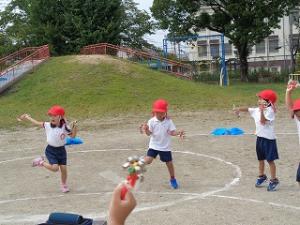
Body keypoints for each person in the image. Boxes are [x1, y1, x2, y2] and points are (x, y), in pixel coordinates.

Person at [18, 105, 77, 193]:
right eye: (51, 115)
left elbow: (72, 136)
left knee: (64, 169)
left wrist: (75, 127)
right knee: (55, 168)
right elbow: (36, 123)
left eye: (54, 115)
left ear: (60, 117)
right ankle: (40, 162)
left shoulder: (65, 127)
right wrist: (27, 117)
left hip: (61, 150)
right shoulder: (47, 125)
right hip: (51, 150)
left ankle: (64, 185)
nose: (52, 117)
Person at [233, 89, 280, 191]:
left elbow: (263, 121)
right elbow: (249, 109)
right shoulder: (257, 110)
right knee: (260, 159)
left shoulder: (270, 111)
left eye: (261, 98)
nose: (259, 100)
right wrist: (238, 109)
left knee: (270, 160)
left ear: (268, 102)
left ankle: (274, 179)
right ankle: (261, 176)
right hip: (260, 138)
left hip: (269, 140)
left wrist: (262, 111)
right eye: (259, 98)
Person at [140, 99, 184, 189]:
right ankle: (137, 164)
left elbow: (172, 132)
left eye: (161, 112)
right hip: (154, 145)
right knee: (148, 161)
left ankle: (172, 179)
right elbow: (149, 134)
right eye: (157, 112)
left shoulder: (168, 121)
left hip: (165, 147)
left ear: (165, 112)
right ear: (154, 112)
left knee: (169, 163)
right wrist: (146, 130)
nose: (159, 114)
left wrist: (178, 133)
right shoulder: (151, 121)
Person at [285, 80, 300, 186]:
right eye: (297, 115)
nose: (298, 117)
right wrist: (288, 92)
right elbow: (291, 107)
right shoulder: (297, 119)